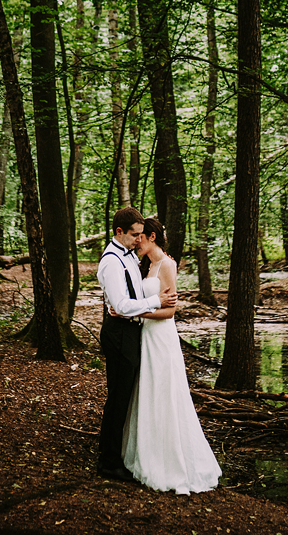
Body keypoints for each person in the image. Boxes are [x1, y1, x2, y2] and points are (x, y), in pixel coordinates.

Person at [123, 217, 221, 494]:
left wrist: (135, 311)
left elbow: (170, 312)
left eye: (140, 237)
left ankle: (172, 462)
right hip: (146, 336)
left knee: (164, 392)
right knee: (147, 390)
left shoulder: (166, 264)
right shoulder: (148, 264)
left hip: (161, 337)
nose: (136, 241)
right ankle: (145, 451)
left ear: (152, 237)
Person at [96, 206, 177, 481]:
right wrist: (157, 301)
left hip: (132, 332)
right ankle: (108, 461)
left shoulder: (129, 256)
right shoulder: (111, 261)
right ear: (120, 232)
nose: (138, 239)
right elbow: (121, 304)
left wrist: (166, 263)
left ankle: (117, 452)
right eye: (134, 235)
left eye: (142, 235)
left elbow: (143, 281)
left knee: (125, 397)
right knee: (118, 398)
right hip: (119, 333)